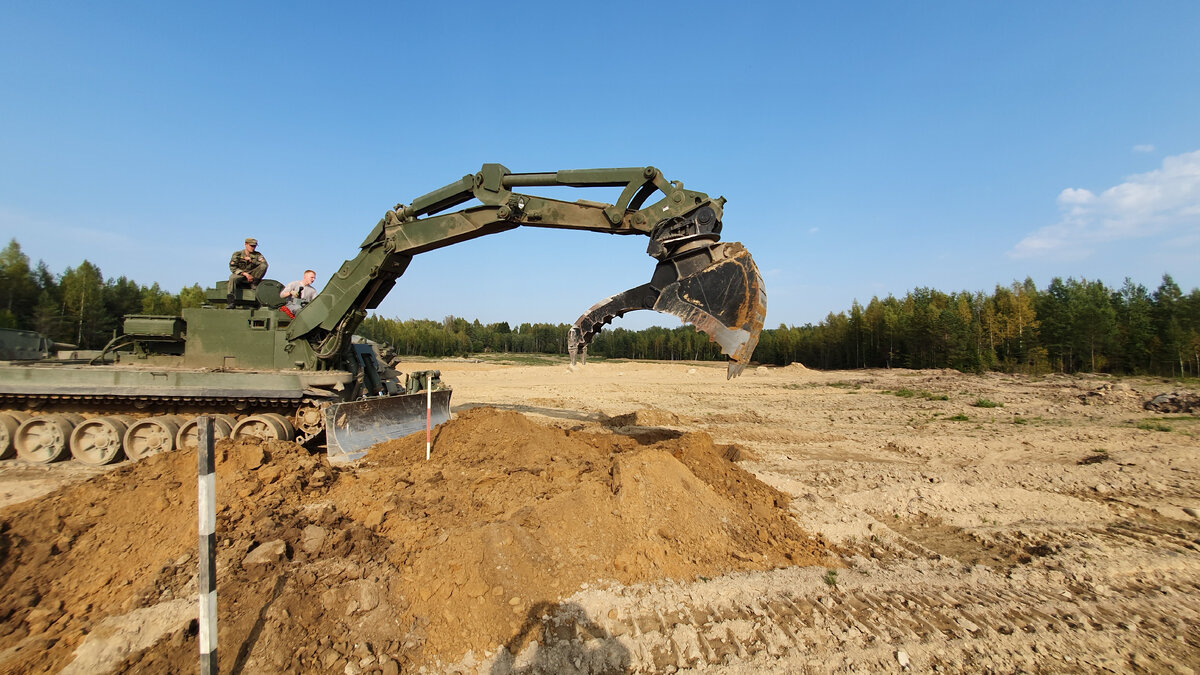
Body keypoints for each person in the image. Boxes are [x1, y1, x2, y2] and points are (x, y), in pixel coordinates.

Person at [227, 237, 268, 308]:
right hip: (241, 274)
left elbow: (264, 264)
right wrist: (245, 274)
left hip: (253, 275)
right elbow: (233, 267)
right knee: (232, 278)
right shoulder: (238, 254)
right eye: (251, 246)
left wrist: (252, 261)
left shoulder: (257, 255)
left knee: (263, 266)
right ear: (246, 244)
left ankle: (254, 283)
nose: (253, 248)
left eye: (254, 246)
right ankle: (231, 302)